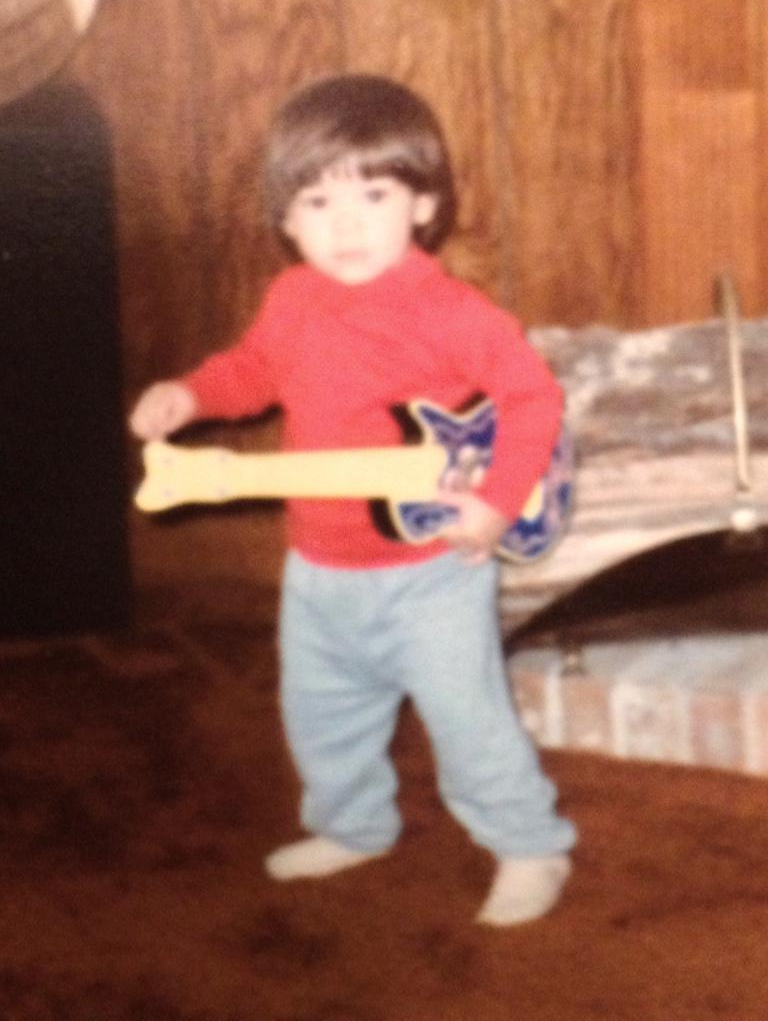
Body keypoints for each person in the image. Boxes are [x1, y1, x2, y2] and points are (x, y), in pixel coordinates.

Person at [129, 74, 576, 925]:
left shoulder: (450, 312)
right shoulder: (293, 299)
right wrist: (189, 396)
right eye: (317, 200)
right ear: (286, 221)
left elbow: (533, 400)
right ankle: (354, 825)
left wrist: (497, 498)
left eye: (373, 193)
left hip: (432, 565)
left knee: (468, 720)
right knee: (321, 714)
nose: (345, 222)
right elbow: (254, 370)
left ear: (423, 204)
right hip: (319, 565)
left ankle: (530, 843)